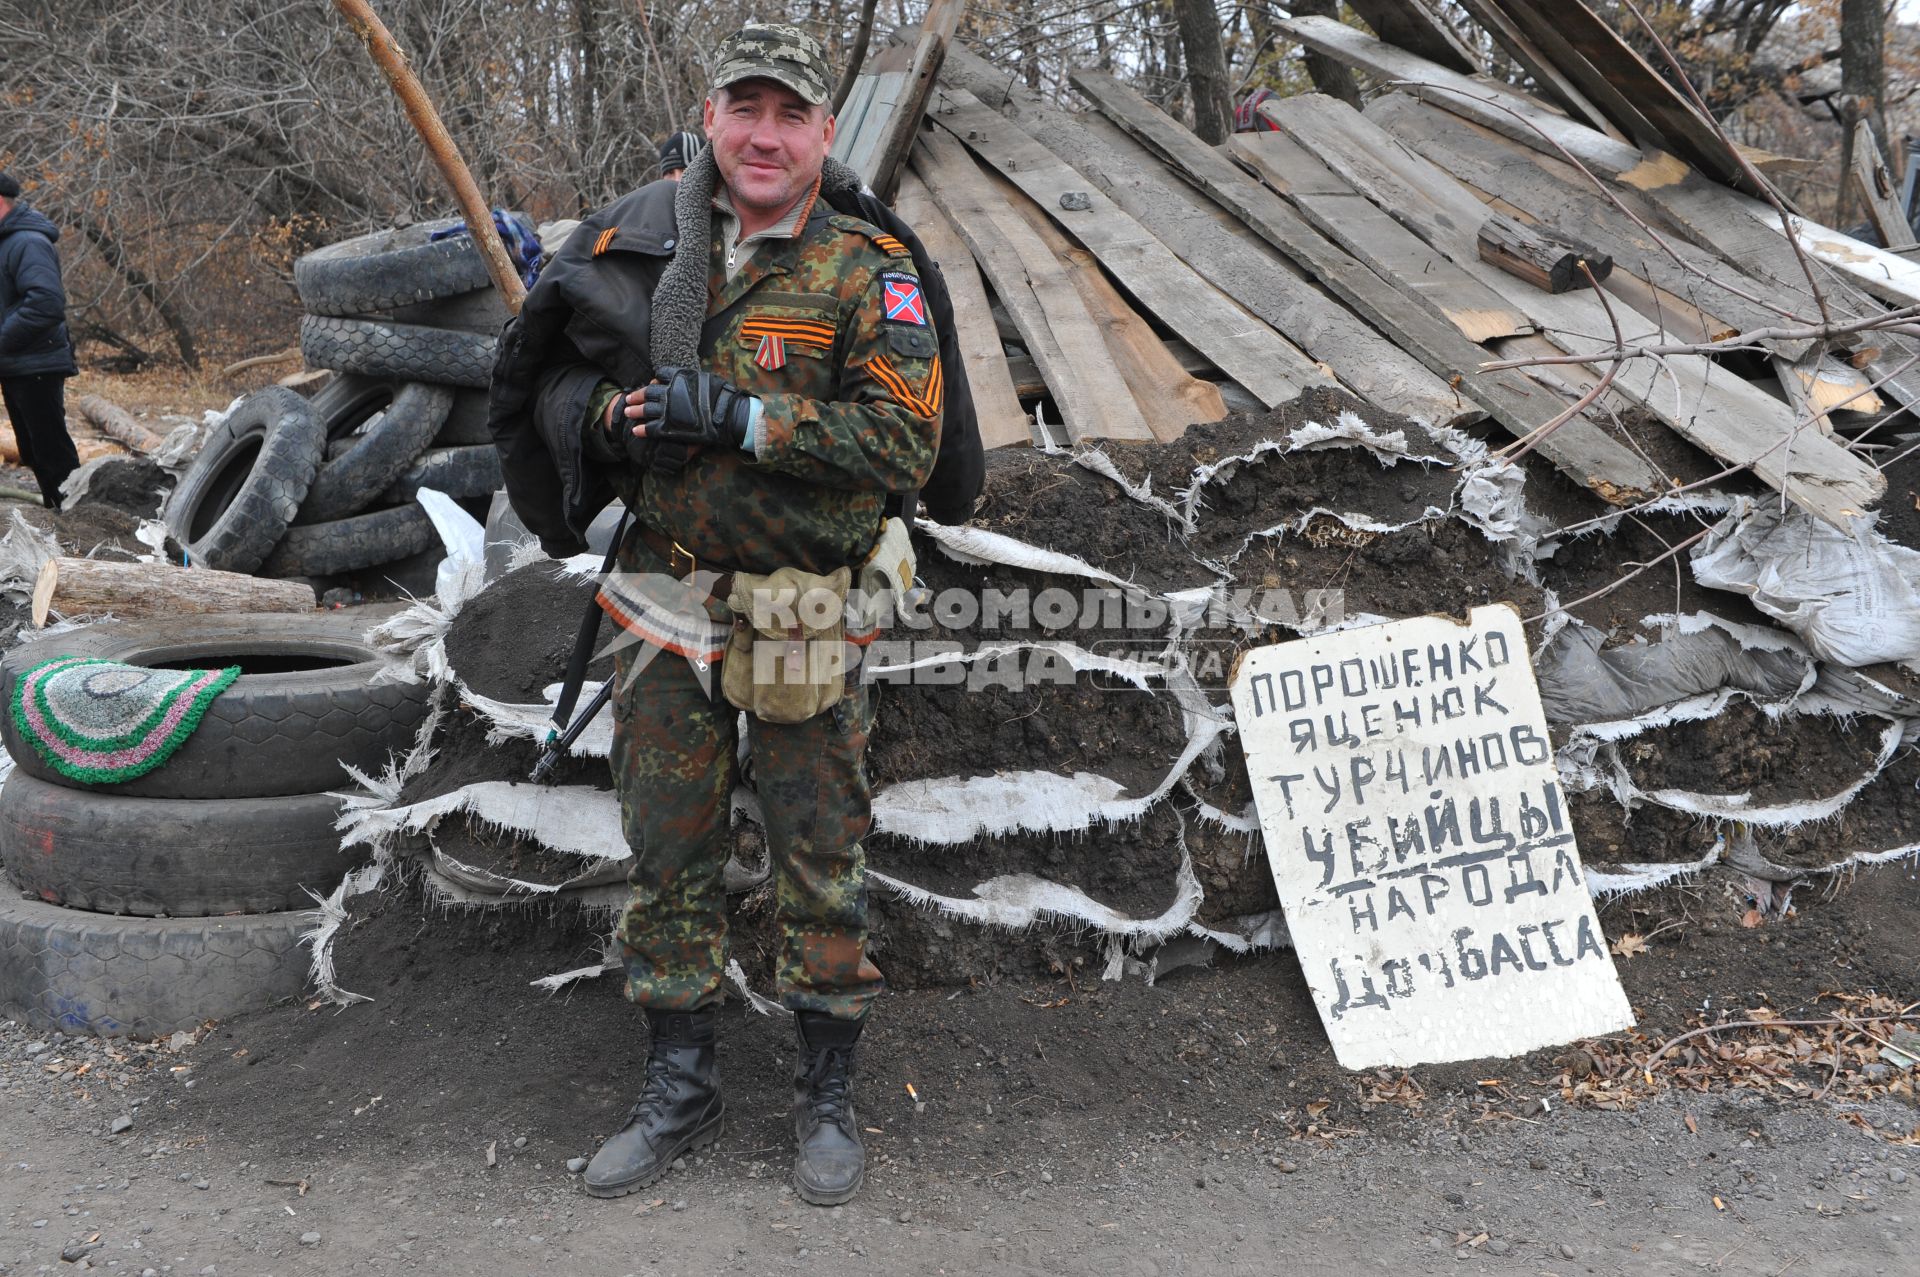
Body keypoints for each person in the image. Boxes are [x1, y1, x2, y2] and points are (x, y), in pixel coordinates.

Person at [488, 22, 973, 1208]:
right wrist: (612, 425)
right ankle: (681, 1082)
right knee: (668, 851)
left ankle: (824, 1090)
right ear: (712, 118)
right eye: (744, 109)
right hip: (664, 594)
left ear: (822, 133)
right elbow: (552, 376)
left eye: (790, 114)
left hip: (808, 600)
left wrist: (749, 423)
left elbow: (907, 440)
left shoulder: (869, 268)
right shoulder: (638, 250)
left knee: (820, 852)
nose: (764, 135)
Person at [0, 173, 81, 509]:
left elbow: (46, 304)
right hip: (17, 365)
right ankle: (60, 514)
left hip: (37, 364)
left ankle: (82, 522)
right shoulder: (7, 242)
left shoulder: (27, 242)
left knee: (52, 454)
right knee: (34, 451)